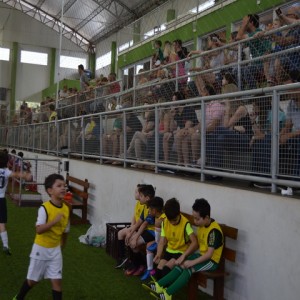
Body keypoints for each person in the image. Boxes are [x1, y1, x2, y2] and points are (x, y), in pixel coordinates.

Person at [144, 198, 224, 300]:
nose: (195, 221)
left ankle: (168, 293)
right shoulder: (203, 225)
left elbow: (209, 255)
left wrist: (191, 262)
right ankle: (159, 285)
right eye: (194, 218)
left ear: (207, 217)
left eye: (197, 219)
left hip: (211, 261)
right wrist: (185, 257)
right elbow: (199, 245)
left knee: (188, 269)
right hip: (202, 257)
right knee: (180, 265)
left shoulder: (214, 231)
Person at [13, 173, 70, 300]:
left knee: (57, 282)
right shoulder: (44, 208)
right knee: (33, 280)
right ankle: (18, 297)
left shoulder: (66, 209)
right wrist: (54, 221)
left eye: (64, 186)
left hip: (55, 251)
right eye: (59, 186)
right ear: (50, 191)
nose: (63, 188)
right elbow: (39, 230)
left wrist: (62, 245)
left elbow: (66, 230)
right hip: (41, 250)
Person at [146, 198, 198, 280]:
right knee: (159, 268)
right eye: (170, 221)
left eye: (175, 220)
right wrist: (158, 254)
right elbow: (162, 241)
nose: (173, 223)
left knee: (166, 268)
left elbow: (195, 243)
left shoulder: (186, 224)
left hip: (181, 252)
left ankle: (165, 291)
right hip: (169, 250)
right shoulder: (165, 222)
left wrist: (184, 255)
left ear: (179, 213)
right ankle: (158, 288)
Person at [0, 151, 32, 255]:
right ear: (6, 161)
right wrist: (27, 173)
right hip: (1, 200)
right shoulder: (7, 172)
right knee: (1, 223)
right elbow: (19, 175)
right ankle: (5, 245)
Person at [125, 184, 156, 276]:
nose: (139, 197)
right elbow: (139, 222)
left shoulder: (152, 209)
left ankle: (140, 266)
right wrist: (131, 233)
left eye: (141, 196)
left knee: (134, 243)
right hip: (148, 231)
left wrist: (135, 237)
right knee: (131, 241)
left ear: (147, 198)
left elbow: (144, 225)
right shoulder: (146, 206)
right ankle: (138, 265)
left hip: (154, 233)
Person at [115, 184, 146, 269]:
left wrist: (133, 230)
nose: (134, 193)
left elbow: (141, 222)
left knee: (131, 242)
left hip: (140, 229)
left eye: (136, 192)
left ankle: (140, 262)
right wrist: (131, 228)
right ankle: (122, 257)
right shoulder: (138, 203)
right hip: (135, 227)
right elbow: (134, 217)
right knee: (120, 233)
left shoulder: (145, 205)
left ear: (141, 194)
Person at [236, 14, 272, 90]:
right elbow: (237, 46)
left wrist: (243, 24)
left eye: (246, 22)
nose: (245, 25)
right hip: (256, 64)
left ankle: (256, 93)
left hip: (263, 64)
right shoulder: (250, 36)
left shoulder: (257, 33)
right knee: (237, 70)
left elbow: (238, 37)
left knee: (247, 70)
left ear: (251, 23)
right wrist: (220, 44)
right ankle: (242, 95)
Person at [140, 196, 165, 281]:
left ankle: (155, 273)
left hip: (165, 242)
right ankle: (150, 270)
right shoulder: (158, 216)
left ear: (154, 210)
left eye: (150, 210)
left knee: (156, 249)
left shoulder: (161, 219)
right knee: (149, 246)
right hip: (161, 240)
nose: (149, 211)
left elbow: (162, 238)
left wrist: (158, 243)